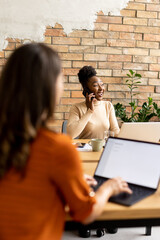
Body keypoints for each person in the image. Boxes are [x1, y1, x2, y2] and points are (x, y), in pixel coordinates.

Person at [0, 43, 132, 240]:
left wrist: (68, 181)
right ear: (50, 88)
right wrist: (109, 187)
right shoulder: (56, 147)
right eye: (60, 78)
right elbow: (87, 212)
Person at [67, 66, 120, 139]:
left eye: (102, 85)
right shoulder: (76, 108)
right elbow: (71, 134)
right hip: (85, 149)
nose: (101, 88)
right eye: (95, 85)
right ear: (87, 90)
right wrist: (90, 111)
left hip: (103, 148)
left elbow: (115, 130)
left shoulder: (108, 105)